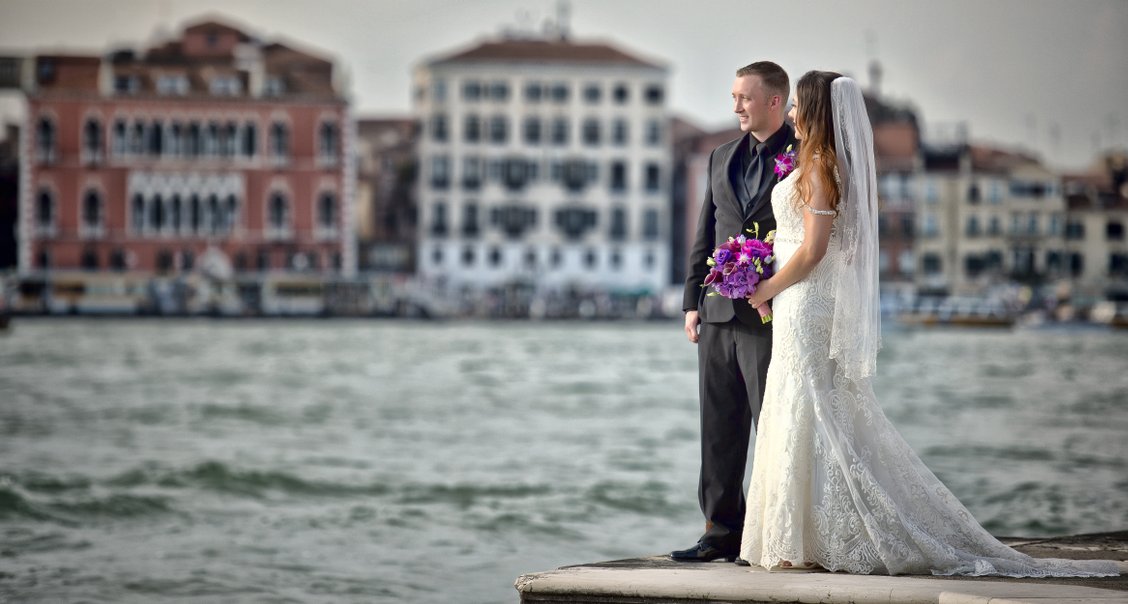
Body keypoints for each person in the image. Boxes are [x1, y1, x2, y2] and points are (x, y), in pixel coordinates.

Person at [739, 70, 1120, 577]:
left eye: (795, 108)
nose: (788, 115)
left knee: (808, 405)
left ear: (811, 111)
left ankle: (805, 537)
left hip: (805, 299)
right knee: (805, 404)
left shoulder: (819, 170)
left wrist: (766, 288)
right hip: (800, 301)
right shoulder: (821, 165)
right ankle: (801, 535)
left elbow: (813, 251)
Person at [673, 61, 798, 563]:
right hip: (718, 311)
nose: (736, 106)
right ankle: (719, 533)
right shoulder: (720, 156)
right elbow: (705, 231)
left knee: (774, 427)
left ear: (774, 101)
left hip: (774, 314)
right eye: (733, 96)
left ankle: (773, 534)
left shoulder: (804, 156)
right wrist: (691, 301)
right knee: (718, 427)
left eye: (745, 97)